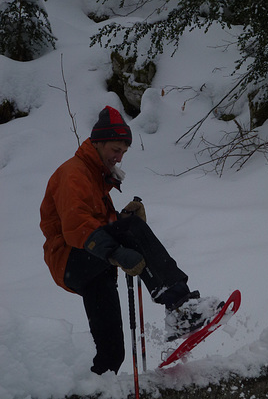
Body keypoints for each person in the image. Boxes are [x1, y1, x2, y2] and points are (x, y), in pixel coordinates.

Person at [40, 105, 220, 375]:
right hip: (71, 257)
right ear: (97, 142)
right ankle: (180, 308)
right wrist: (117, 246)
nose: (119, 157)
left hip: (92, 266)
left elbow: (96, 223)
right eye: (115, 149)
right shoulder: (74, 173)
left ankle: (93, 392)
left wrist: (120, 217)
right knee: (132, 228)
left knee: (113, 352)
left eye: (124, 152)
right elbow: (76, 226)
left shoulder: (96, 177)